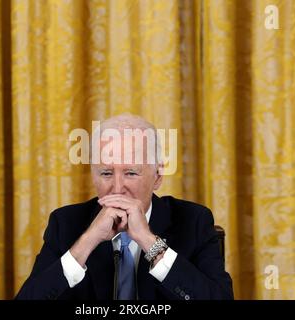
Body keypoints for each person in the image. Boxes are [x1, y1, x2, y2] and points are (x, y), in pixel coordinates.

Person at [15, 114, 233, 300]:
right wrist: (88, 241)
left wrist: (149, 241)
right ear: (93, 176)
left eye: (131, 173)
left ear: (157, 176)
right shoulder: (66, 223)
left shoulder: (193, 220)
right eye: (106, 173)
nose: (117, 189)